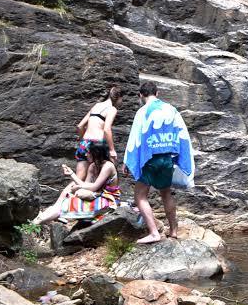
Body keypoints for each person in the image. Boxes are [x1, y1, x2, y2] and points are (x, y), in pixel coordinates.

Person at [124, 82, 194, 244]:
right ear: (158, 93)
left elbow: (135, 138)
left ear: (140, 95)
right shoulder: (171, 110)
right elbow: (182, 133)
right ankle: (174, 230)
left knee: (140, 195)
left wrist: (128, 161)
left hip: (151, 159)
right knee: (166, 193)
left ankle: (154, 233)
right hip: (167, 159)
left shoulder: (143, 112)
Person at [32, 142, 120, 225]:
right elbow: (85, 186)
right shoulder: (93, 166)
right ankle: (40, 219)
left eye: (88, 152)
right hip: (96, 195)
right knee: (66, 198)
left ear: (96, 153)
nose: (86, 155)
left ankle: (38, 222)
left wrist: (74, 180)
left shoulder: (108, 166)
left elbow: (94, 187)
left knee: (66, 205)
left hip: (108, 200)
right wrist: (72, 177)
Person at [75, 86, 123, 178]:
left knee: (78, 179)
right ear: (119, 97)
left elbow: (80, 126)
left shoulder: (96, 106)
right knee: (102, 178)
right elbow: (106, 129)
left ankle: (66, 192)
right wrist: (112, 150)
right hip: (97, 146)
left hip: (85, 143)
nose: (121, 102)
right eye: (122, 100)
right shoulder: (112, 109)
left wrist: (84, 142)